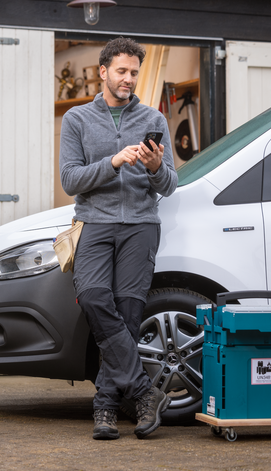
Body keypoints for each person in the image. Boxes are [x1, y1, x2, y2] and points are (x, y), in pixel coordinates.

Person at [59, 37, 178, 440]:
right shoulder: (77, 120)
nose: (128, 79)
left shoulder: (154, 120)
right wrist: (112, 162)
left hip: (141, 225)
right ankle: (145, 393)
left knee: (128, 314)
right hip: (94, 223)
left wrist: (157, 166)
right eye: (122, 71)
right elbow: (70, 179)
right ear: (103, 71)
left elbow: (170, 185)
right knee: (93, 297)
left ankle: (106, 408)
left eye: (134, 73)